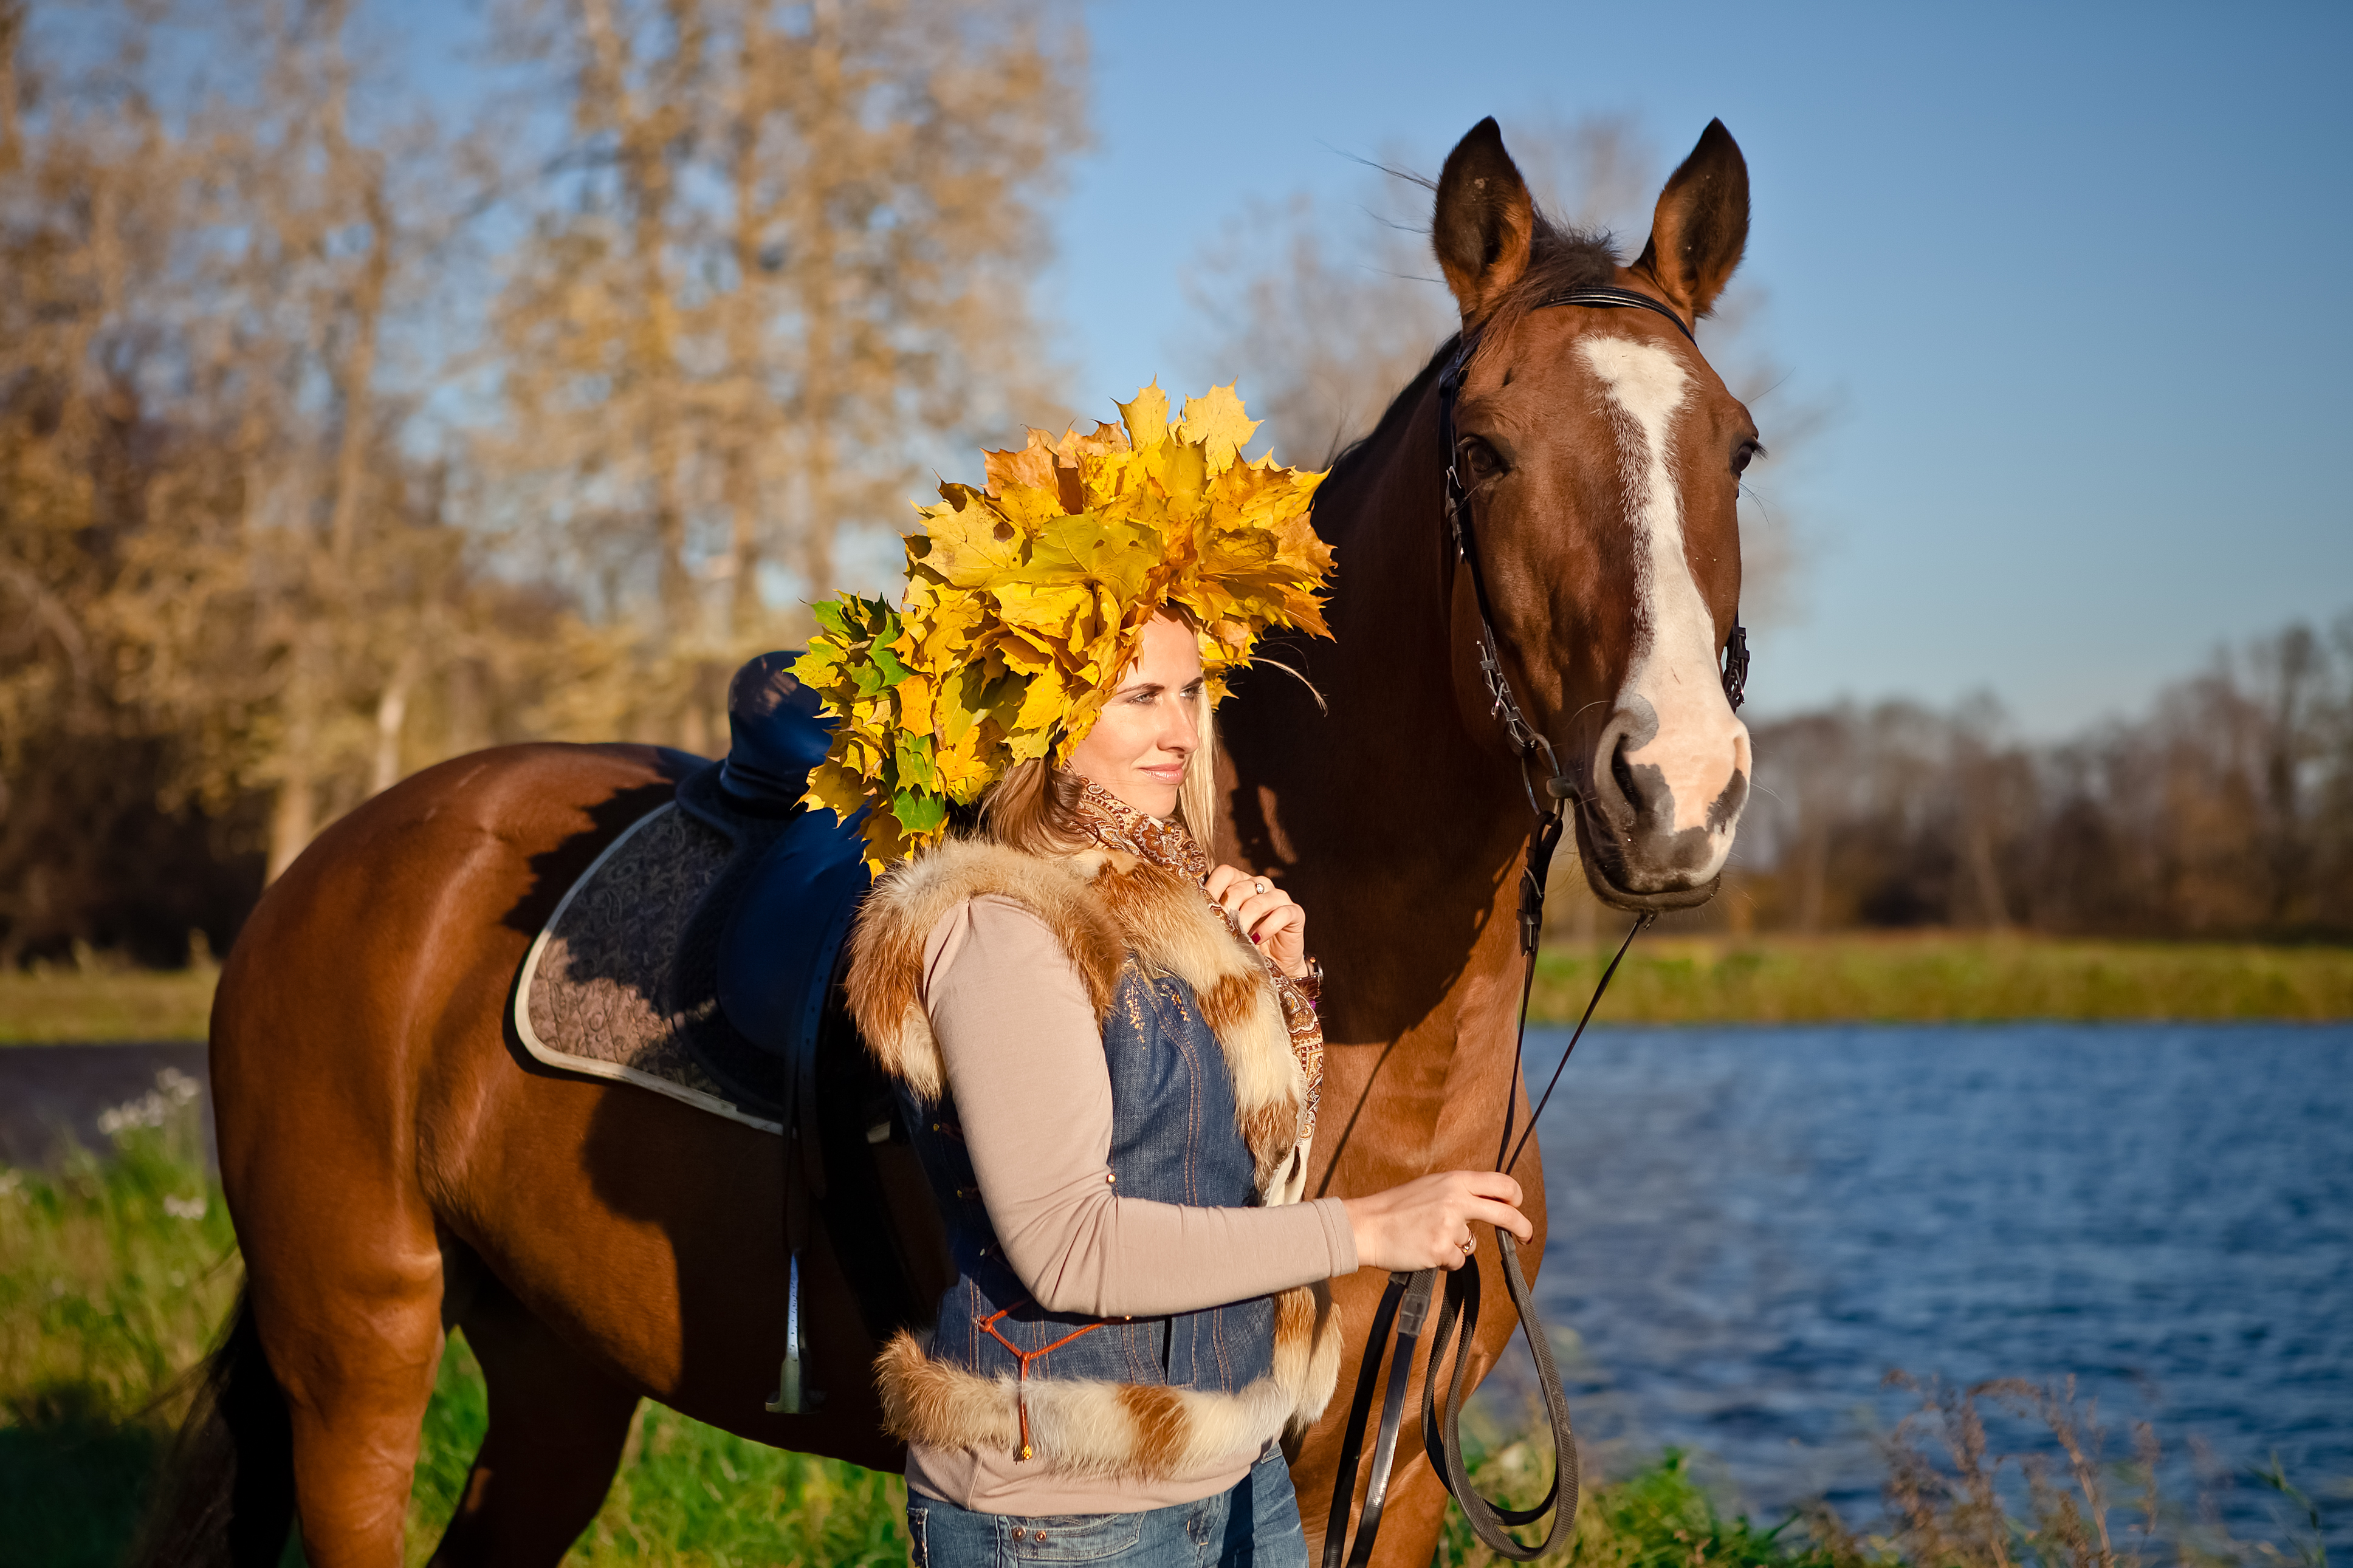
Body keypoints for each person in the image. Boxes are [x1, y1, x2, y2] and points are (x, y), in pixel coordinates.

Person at [800, 388, 1529, 1567]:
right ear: (1042, 718)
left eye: (1190, 693)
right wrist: (1373, 1228)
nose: (1181, 731)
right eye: (1138, 696)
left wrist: (1278, 990)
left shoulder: (1177, 905)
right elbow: (1069, 1251)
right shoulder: (996, 927)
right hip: (1063, 1515)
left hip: (1237, 1477)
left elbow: (1242, 1190)